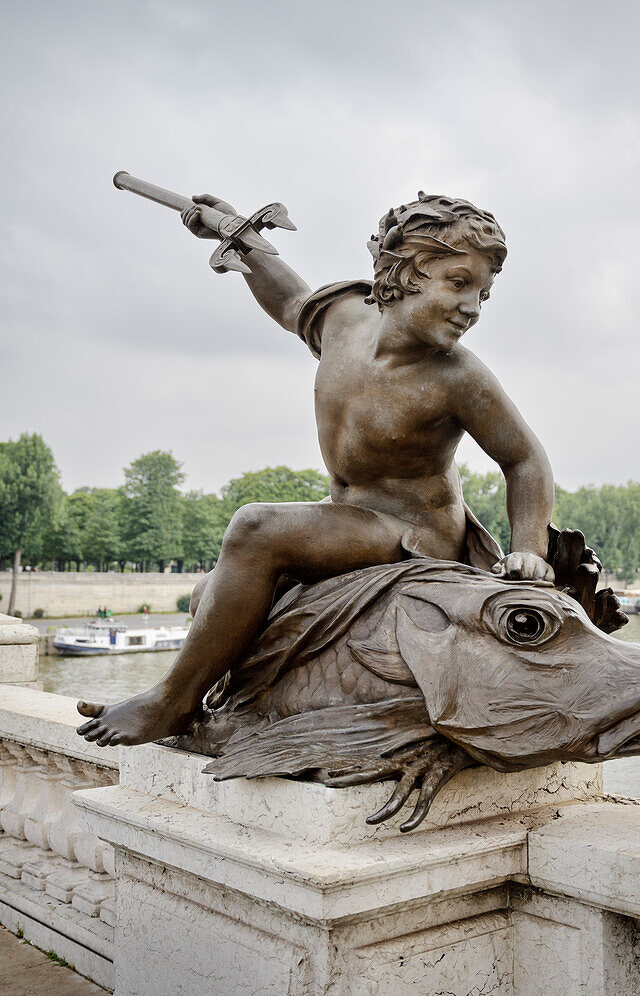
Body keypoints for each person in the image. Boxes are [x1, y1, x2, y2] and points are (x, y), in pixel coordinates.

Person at [77, 191, 555, 747]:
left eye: (483, 294)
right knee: (211, 592)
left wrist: (530, 551)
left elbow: (525, 459)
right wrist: (239, 239)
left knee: (255, 528)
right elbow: (290, 299)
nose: (472, 306)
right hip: (350, 518)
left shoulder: (459, 377)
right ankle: (235, 710)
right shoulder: (344, 320)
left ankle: (171, 703)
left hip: (414, 534)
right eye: (457, 282)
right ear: (401, 275)